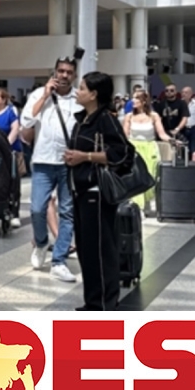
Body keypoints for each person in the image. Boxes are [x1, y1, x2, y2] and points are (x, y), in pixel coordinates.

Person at [64, 71, 134, 311]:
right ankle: (93, 301)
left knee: (100, 250)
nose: (78, 91)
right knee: (86, 250)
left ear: (93, 94)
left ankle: (104, 303)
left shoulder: (105, 119)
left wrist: (85, 156)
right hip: (80, 190)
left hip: (97, 192)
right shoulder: (82, 120)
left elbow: (123, 153)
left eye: (82, 88)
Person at [20, 55, 82, 283]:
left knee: (67, 212)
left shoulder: (79, 98)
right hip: (43, 160)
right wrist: (45, 95)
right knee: (37, 208)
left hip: (68, 162)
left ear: (74, 75)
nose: (64, 75)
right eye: (61, 71)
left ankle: (59, 261)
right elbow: (26, 122)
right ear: (55, 72)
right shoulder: (39, 94)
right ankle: (41, 242)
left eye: (69, 72)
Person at [124, 91, 173, 213]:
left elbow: (162, 134)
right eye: (133, 98)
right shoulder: (129, 116)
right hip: (134, 149)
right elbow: (124, 136)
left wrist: (172, 140)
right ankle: (137, 207)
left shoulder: (154, 116)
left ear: (144, 101)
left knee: (151, 175)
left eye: (136, 98)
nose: (133, 100)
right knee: (136, 177)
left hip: (150, 148)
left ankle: (147, 203)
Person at [0, 87, 23, 229]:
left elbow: (15, 129)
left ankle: (14, 213)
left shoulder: (10, 112)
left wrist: (6, 145)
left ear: (3, 99)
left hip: (10, 153)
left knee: (13, 182)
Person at [180, 87, 195, 155]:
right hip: (183, 128)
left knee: (193, 148)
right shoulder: (179, 103)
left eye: (186, 92)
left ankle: (192, 161)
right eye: (182, 92)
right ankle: (183, 160)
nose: (183, 94)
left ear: (191, 94)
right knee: (182, 147)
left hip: (193, 128)